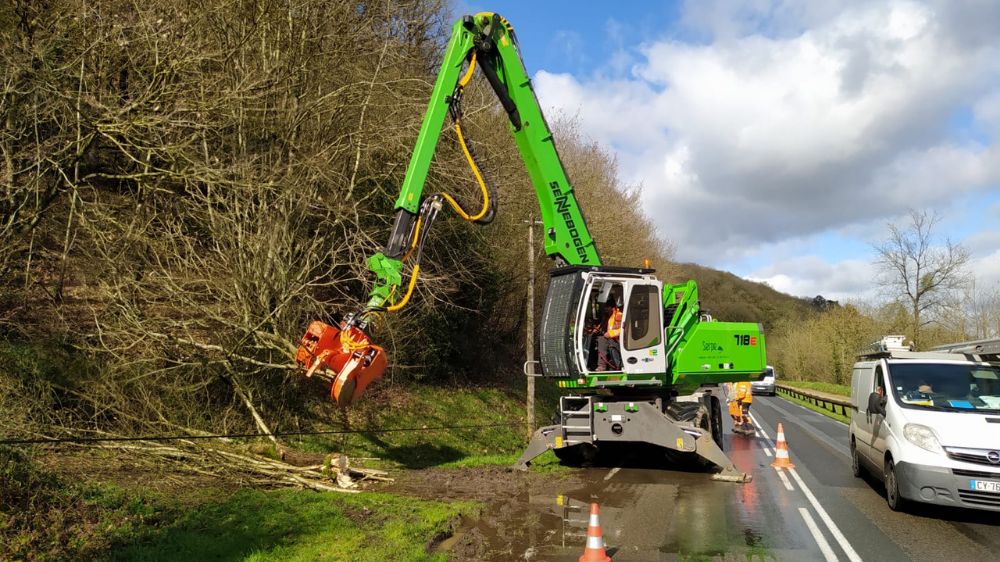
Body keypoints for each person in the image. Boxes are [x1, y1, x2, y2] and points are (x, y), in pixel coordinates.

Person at [595, 290, 623, 371]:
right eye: (605, 307)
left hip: (619, 340)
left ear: (613, 307)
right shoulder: (607, 316)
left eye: (607, 307)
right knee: (600, 339)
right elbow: (601, 328)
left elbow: (625, 329)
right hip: (611, 339)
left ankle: (604, 366)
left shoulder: (619, 315)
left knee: (604, 341)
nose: (606, 309)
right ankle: (600, 366)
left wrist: (610, 334)